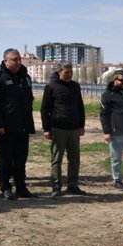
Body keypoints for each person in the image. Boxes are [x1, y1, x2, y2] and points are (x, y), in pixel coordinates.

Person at [0, 48, 37, 200]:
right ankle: (5, 187)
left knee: (21, 159)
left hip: (22, 125)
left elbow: (29, 100)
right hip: (5, 127)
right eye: (14, 59)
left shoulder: (24, 77)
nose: (18, 62)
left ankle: (21, 187)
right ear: (6, 60)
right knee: (5, 159)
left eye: (19, 59)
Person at [41, 62, 87, 197]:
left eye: (71, 73)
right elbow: (45, 109)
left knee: (74, 159)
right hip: (58, 128)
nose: (69, 75)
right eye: (66, 72)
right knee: (57, 159)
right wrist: (46, 129)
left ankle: (73, 186)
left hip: (73, 129)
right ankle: (56, 187)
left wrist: (81, 125)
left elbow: (80, 106)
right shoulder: (51, 87)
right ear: (59, 72)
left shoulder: (75, 86)